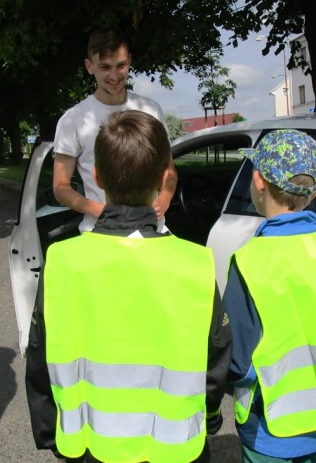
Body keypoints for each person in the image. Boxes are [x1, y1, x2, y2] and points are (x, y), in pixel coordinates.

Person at [26, 110, 231, 463]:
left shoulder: (62, 261)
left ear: (97, 176)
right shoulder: (195, 262)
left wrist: (49, 432)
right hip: (175, 442)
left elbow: (39, 355)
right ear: (164, 177)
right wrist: (210, 417)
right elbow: (216, 356)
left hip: (90, 442)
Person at [222, 130, 316, 463]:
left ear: (258, 180)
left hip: (270, 425)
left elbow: (238, 356)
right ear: (314, 191)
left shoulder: (250, 260)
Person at [52, 27, 177, 233]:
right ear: (89, 66)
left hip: (153, 231)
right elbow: (60, 187)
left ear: (130, 60)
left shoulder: (151, 109)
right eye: (105, 67)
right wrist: (102, 210)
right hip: (100, 232)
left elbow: (168, 168)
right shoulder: (72, 119)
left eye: (121, 65)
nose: (114, 75)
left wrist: (165, 197)